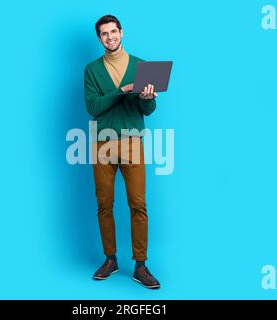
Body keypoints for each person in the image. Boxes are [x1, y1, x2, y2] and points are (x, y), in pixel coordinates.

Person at [83, 14, 160, 289]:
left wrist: (146, 98)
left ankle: (140, 265)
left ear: (122, 32)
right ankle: (110, 259)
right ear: (99, 38)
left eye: (113, 31)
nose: (110, 37)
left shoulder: (141, 66)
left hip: (132, 142)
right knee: (104, 204)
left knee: (138, 204)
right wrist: (122, 91)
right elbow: (93, 107)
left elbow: (146, 111)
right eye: (104, 34)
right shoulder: (92, 70)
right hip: (102, 143)